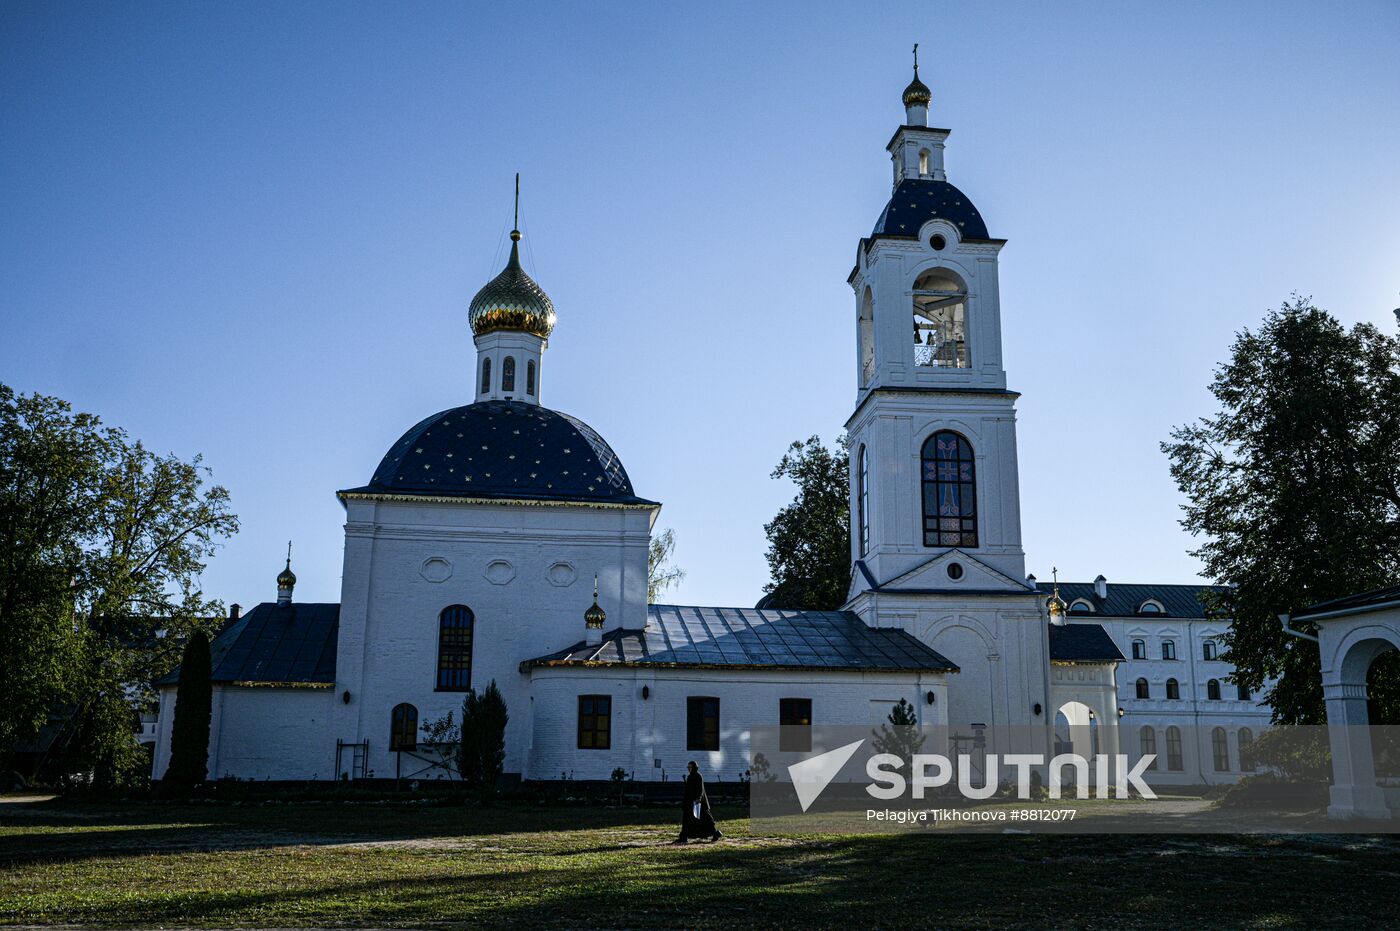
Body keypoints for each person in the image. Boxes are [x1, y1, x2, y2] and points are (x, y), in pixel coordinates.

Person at [675, 760, 722, 843]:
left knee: (705, 819)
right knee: (687, 819)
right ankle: (684, 837)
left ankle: (715, 833)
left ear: (694, 767)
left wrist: (698, 798)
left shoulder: (698, 776)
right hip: (689, 802)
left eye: (690, 767)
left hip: (698, 803)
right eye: (688, 767)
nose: (688, 769)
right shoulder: (690, 776)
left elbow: (700, 789)